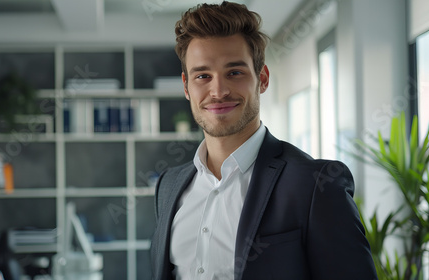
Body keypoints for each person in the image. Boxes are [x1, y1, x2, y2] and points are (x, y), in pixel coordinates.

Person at [150, 1, 377, 279]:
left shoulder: (317, 185)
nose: (218, 91)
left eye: (234, 73)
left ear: (263, 78)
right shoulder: (168, 187)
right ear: (186, 86)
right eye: (203, 76)